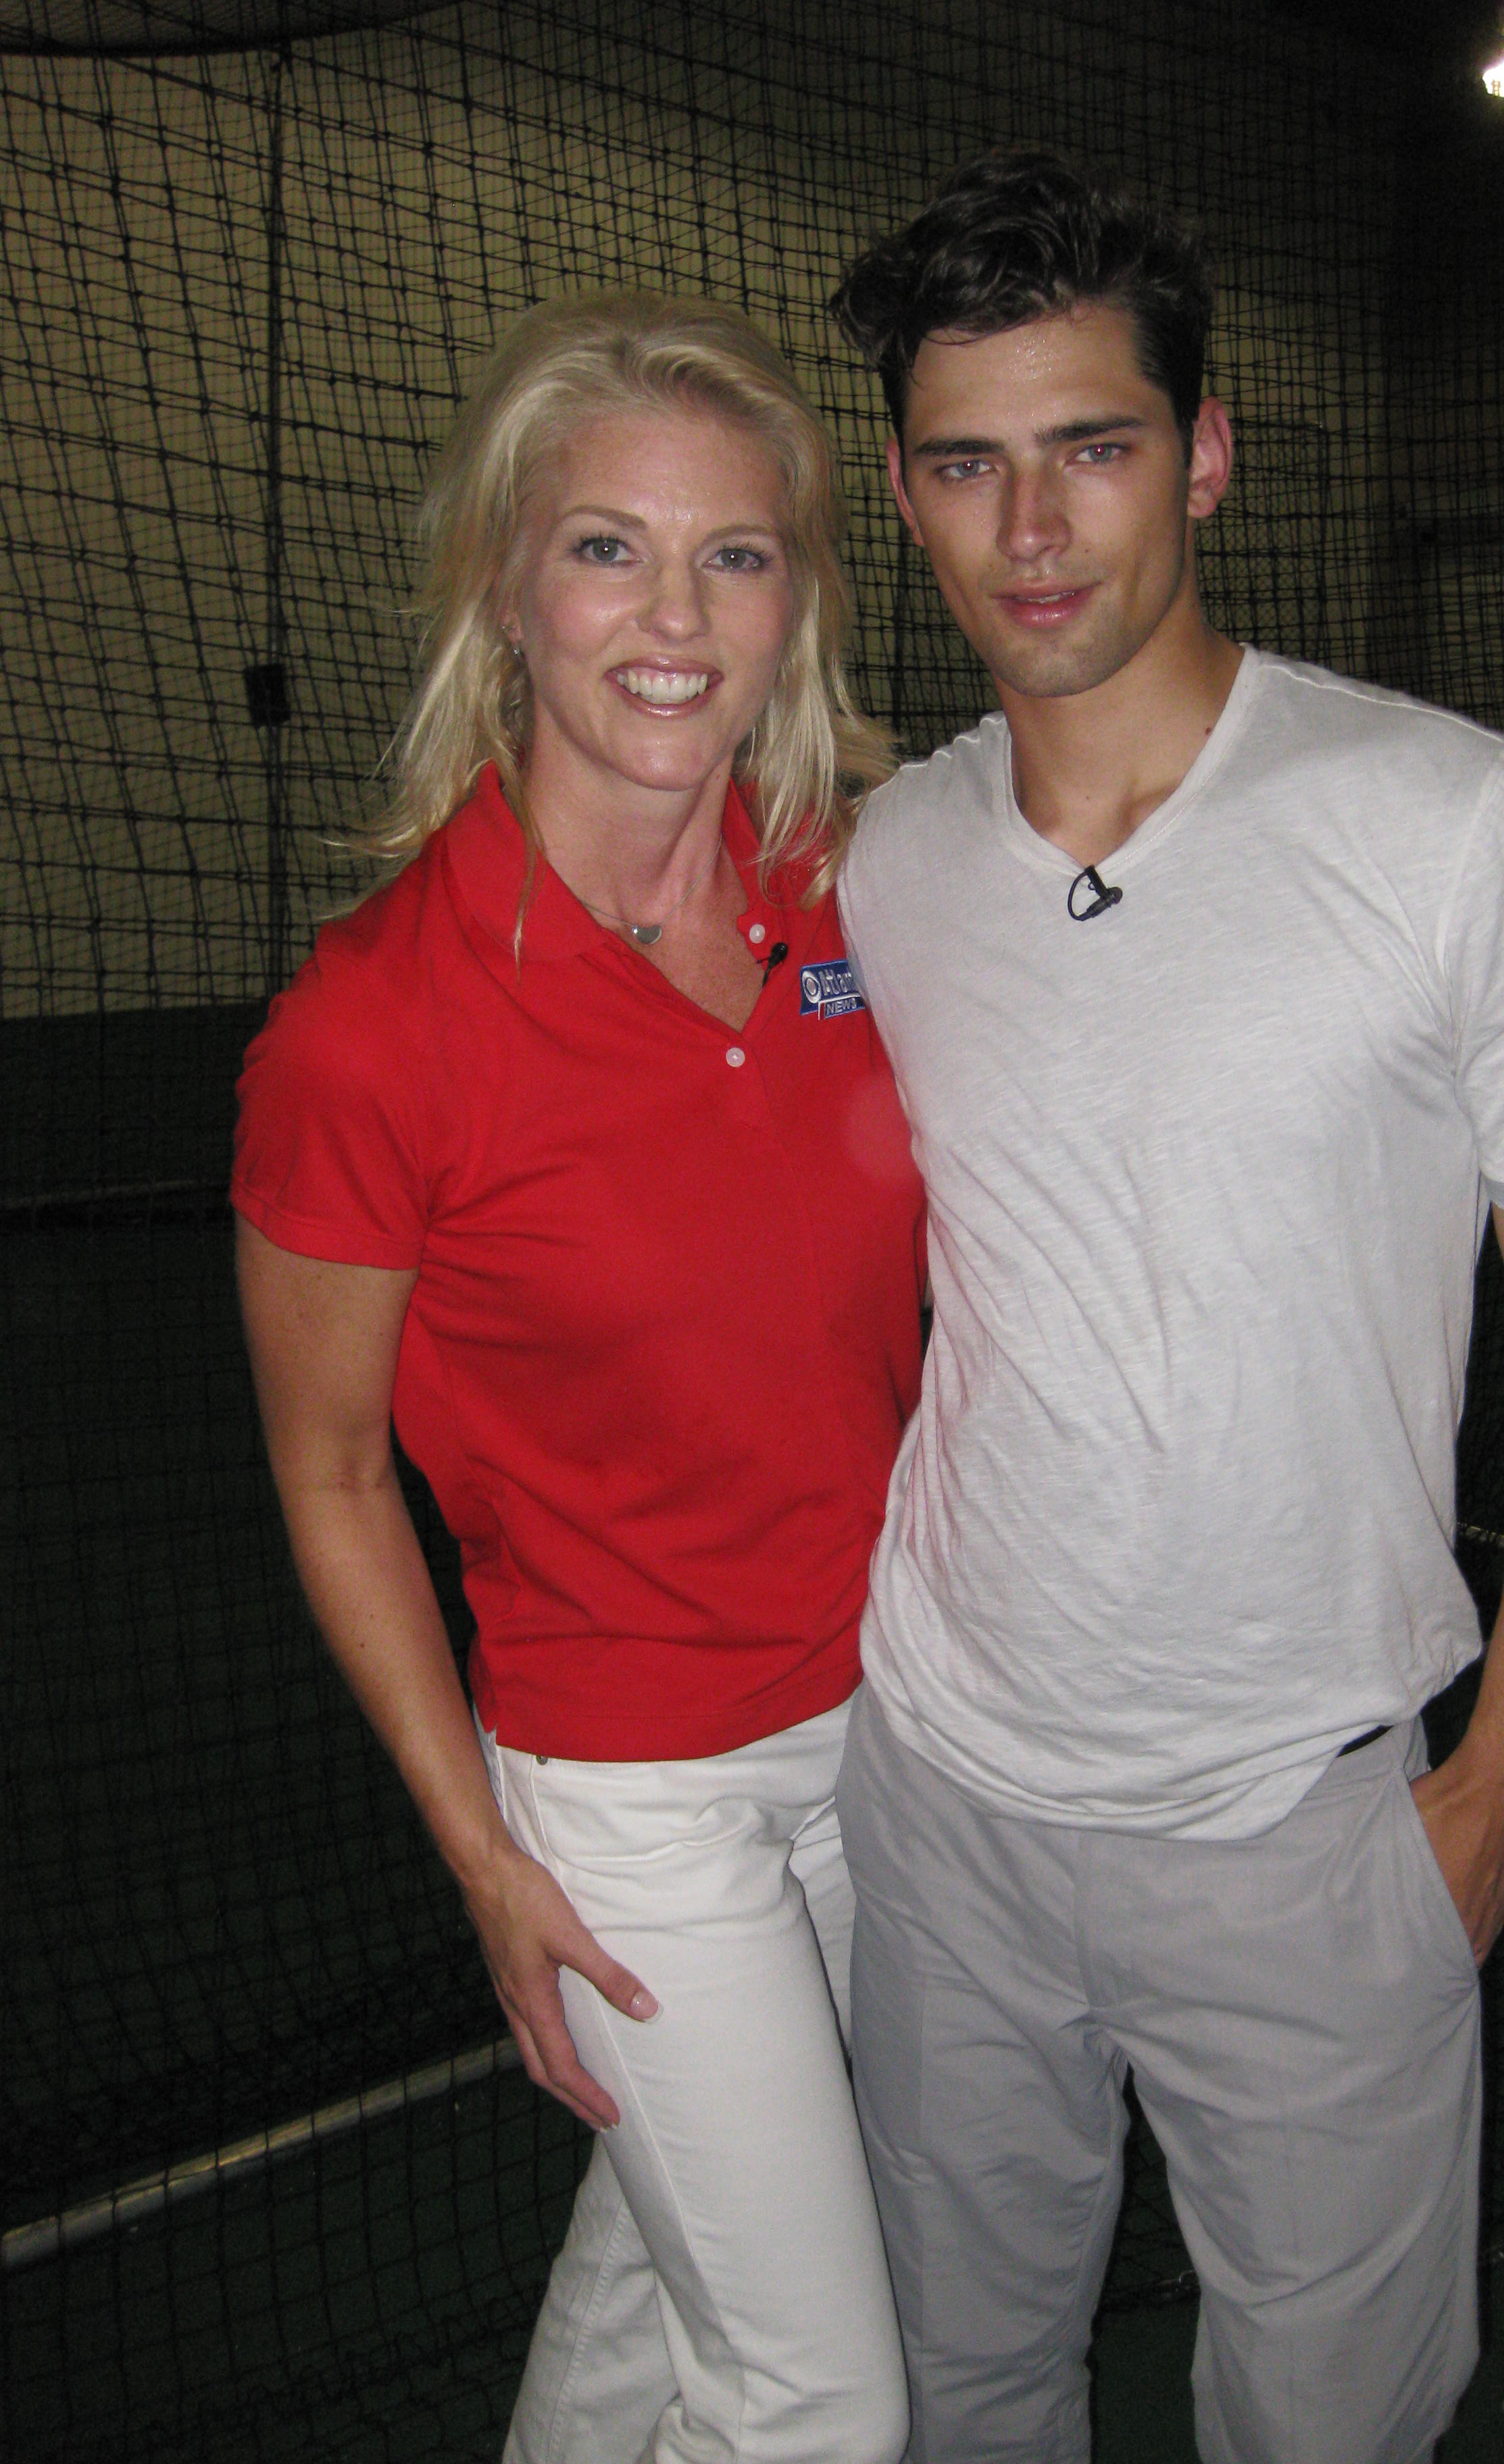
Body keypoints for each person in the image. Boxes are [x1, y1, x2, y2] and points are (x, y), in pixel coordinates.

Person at [826, 153, 1504, 2464]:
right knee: (963, 2389)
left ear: (1204, 451)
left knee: (1328, 2427)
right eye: (969, 463)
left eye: (1093, 446)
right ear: (903, 491)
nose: (1032, 528)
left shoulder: (1454, 826)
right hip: (948, 1808)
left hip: (1312, 1840)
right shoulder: (887, 863)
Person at [231, 288, 920, 2464]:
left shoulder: (856, 897)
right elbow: (336, 1479)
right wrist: (480, 1849)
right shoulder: (371, 1028)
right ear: (506, 588)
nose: (674, 614)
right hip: (635, 1795)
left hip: (887, 1734)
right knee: (819, 2397)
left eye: (736, 553)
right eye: (608, 545)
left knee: (657, 2262)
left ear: (797, 598)